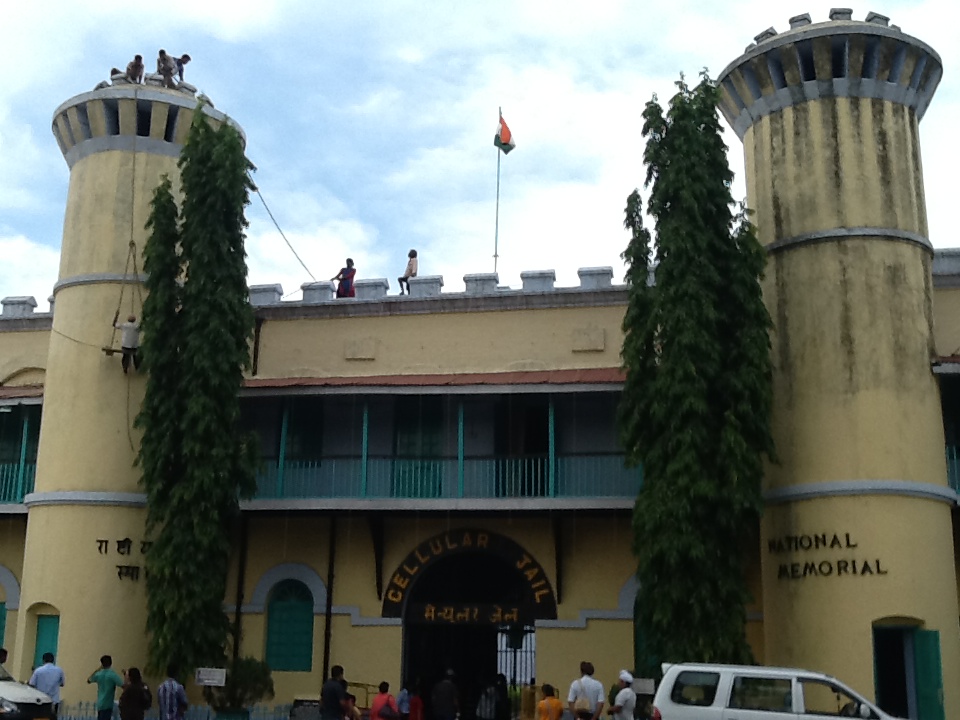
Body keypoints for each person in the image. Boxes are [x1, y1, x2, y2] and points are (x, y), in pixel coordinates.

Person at [88, 655, 124, 720]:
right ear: (111, 663)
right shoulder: (112, 674)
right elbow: (122, 685)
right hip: (108, 704)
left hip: (100, 703)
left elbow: (89, 680)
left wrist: (98, 669)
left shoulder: (98, 674)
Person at [29, 653, 65, 719]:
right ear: (53, 660)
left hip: (40, 701)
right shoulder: (59, 670)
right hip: (54, 700)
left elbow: (31, 684)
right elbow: (62, 684)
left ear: (43, 660)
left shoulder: (38, 671)